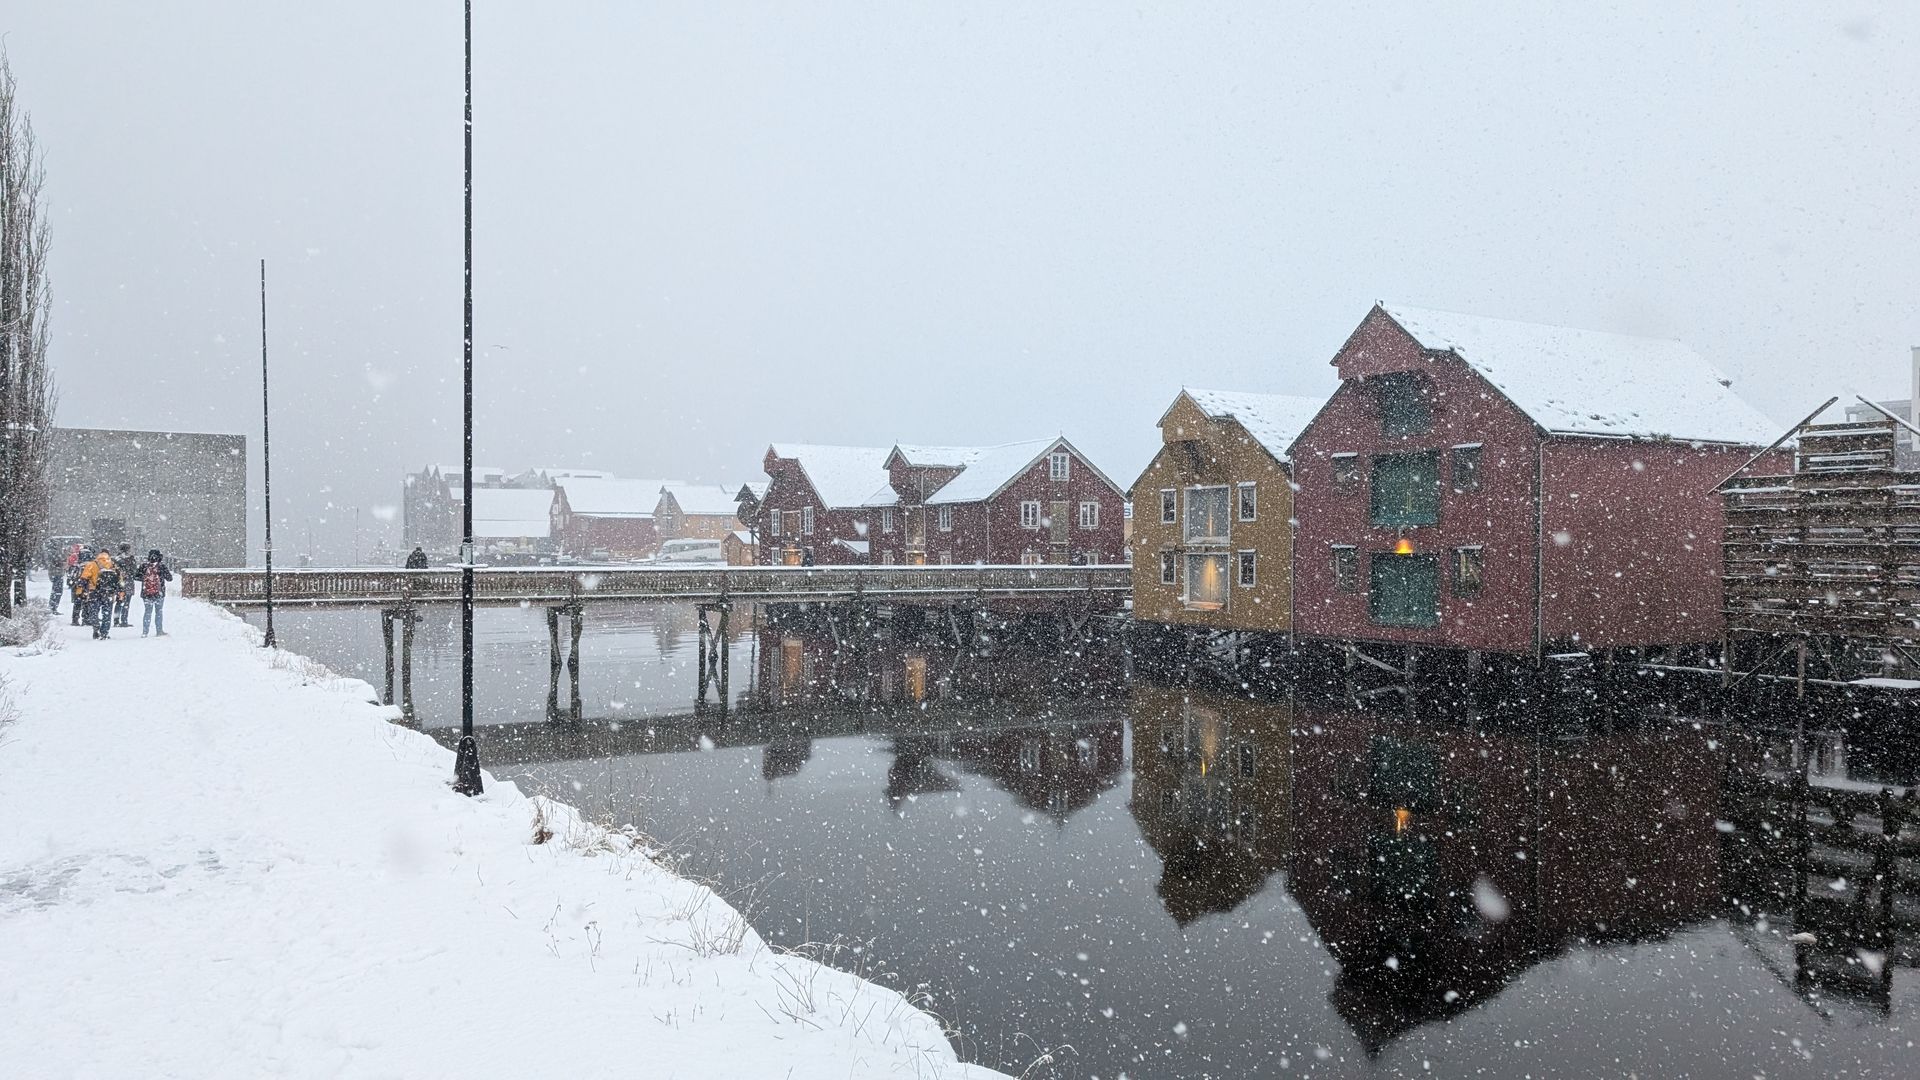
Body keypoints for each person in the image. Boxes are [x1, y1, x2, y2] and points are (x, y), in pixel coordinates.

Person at [80, 547, 118, 640]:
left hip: (94, 592)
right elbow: (119, 579)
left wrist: (82, 591)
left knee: (94, 611)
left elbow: (84, 578)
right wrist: (119, 591)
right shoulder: (112, 565)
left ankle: (96, 628)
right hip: (108, 593)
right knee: (107, 613)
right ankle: (104, 632)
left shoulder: (92, 564)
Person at [138, 549, 173, 637]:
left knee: (147, 612)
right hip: (159, 593)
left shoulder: (144, 566)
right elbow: (170, 578)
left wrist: (145, 578)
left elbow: (136, 576)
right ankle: (159, 631)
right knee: (159, 612)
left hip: (146, 593)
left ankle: (145, 632)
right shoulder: (161, 566)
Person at [113, 543, 136, 627]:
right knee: (126, 603)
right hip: (128, 584)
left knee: (119, 602)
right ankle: (124, 620)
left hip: (119, 584)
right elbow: (134, 572)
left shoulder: (116, 559)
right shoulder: (131, 559)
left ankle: (116, 620)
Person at [66, 544, 86, 626]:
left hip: (77, 586)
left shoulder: (75, 565)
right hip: (85, 586)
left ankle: (75, 619)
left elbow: (71, 576)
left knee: (77, 603)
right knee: (85, 603)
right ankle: (85, 619)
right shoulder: (88, 565)